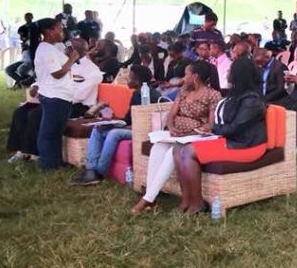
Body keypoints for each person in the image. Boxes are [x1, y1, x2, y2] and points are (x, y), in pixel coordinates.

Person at [174, 58, 268, 213]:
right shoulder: (237, 94)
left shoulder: (251, 100)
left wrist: (211, 128)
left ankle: (197, 204)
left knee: (189, 151)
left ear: (239, 74)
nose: (228, 73)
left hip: (247, 146)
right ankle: (186, 198)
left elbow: (235, 128)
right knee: (178, 148)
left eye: (231, 70)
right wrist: (211, 128)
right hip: (233, 140)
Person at [132, 60, 222, 214]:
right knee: (158, 147)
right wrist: (172, 128)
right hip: (176, 134)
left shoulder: (213, 95)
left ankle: (148, 199)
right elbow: (171, 115)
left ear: (195, 77)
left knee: (171, 153)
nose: (183, 78)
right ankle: (150, 195)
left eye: (186, 75)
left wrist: (191, 132)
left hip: (196, 136)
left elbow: (210, 124)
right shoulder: (184, 90)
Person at [73, 65, 162, 185]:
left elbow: (152, 120)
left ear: (137, 81)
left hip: (144, 131)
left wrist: (125, 125)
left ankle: (100, 172)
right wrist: (112, 122)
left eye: (130, 77)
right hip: (132, 127)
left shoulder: (153, 95)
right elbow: (128, 119)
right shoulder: (135, 94)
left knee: (114, 133)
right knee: (98, 129)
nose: (127, 80)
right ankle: (91, 170)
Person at [33, 18, 79, 170]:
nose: (63, 32)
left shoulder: (51, 48)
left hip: (60, 95)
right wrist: (72, 59)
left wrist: (68, 57)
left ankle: (56, 161)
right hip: (54, 96)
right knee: (49, 132)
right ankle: (48, 164)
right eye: (60, 29)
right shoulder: (46, 49)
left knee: (56, 131)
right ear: (49, 31)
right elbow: (57, 73)